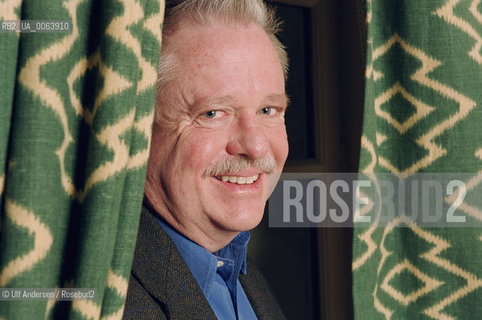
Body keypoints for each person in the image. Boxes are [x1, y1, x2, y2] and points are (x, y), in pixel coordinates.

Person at [123, 0, 289, 319]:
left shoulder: (241, 272)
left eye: (268, 110)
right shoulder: (105, 299)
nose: (255, 147)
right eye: (212, 113)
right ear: (140, 126)